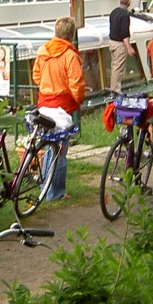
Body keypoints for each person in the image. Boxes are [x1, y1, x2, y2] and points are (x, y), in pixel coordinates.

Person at [32, 16, 86, 201]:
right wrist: (78, 100)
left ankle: (43, 186)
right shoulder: (70, 55)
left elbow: (36, 77)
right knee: (60, 151)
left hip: (44, 104)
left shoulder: (42, 51)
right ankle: (55, 192)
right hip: (62, 106)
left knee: (48, 145)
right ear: (71, 34)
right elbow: (76, 84)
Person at [108, 0, 133, 93]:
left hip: (111, 42)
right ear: (129, 2)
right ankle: (115, 91)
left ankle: (113, 88)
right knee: (118, 68)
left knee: (114, 66)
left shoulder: (113, 12)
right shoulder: (125, 15)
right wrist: (129, 47)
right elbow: (124, 33)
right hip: (119, 44)